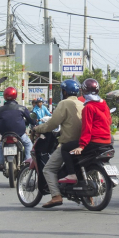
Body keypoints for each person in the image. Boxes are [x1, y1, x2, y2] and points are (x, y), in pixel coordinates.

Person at [30, 79, 84, 208]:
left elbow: (53, 124)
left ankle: (56, 196)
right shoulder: (82, 104)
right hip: (83, 143)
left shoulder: (64, 103)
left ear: (64, 92)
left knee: (48, 169)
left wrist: (37, 128)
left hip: (68, 142)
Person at [60, 79, 112, 186]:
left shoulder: (88, 107)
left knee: (65, 148)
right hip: (107, 141)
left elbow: (87, 128)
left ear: (84, 91)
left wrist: (82, 146)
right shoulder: (104, 104)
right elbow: (109, 121)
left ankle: (71, 174)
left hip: (94, 142)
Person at [0, 87, 36, 171]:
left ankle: (0, 163)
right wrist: (34, 122)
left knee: (1, 146)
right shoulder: (22, 108)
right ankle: (28, 162)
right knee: (28, 144)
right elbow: (31, 119)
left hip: (5, 134)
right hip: (19, 134)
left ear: (5, 96)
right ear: (15, 96)